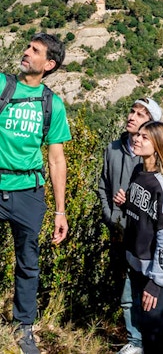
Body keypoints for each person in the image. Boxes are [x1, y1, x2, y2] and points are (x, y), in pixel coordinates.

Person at [0, 33, 71, 354]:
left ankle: (23, 327)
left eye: (35, 51)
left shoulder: (52, 104)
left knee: (28, 262)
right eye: (28, 47)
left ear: (49, 64)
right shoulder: (3, 85)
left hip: (28, 192)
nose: (26, 53)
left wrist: (60, 210)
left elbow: (56, 159)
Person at [113, 121, 163, 354]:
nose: (137, 139)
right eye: (138, 135)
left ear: (159, 146)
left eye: (145, 137)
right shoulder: (140, 172)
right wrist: (127, 202)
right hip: (141, 265)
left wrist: (157, 283)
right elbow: (147, 215)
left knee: (156, 334)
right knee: (146, 329)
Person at [98, 98, 163, 354]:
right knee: (126, 289)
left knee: (147, 287)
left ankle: (151, 339)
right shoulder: (113, 149)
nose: (132, 117)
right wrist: (111, 218)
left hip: (144, 236)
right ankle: (134, 341)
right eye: (132, 111)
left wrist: (131, 206)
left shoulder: (151, 157)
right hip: (118, 232)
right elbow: (103, 185)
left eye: (141, 114)